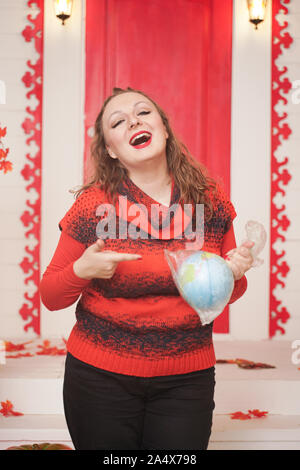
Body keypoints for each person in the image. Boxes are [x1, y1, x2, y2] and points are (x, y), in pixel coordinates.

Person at [39, 87, 254, 451]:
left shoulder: (210, 199)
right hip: (99, 381)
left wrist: (233, 274)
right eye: (118, 121)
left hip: (186, 382)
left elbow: (231, 294)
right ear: (110, 149)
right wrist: (82, 269)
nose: (134, 121)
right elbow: (50, 295)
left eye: (143, 113)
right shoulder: (93, 205)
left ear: (164, 129)